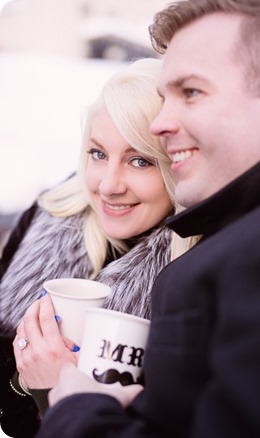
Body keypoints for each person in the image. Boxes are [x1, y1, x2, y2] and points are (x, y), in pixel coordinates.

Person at [35, 0, 260, 437]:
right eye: (164, 97)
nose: (160, 123)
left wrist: (76, 408)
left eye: (190, 91)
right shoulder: (242, 230)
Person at [0, 57, 197, 437]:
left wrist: (52, 388)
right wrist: (23, 381)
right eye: (98, 154)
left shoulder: (201, 272)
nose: (108, 185)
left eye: (140, 160)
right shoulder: (50, 215)